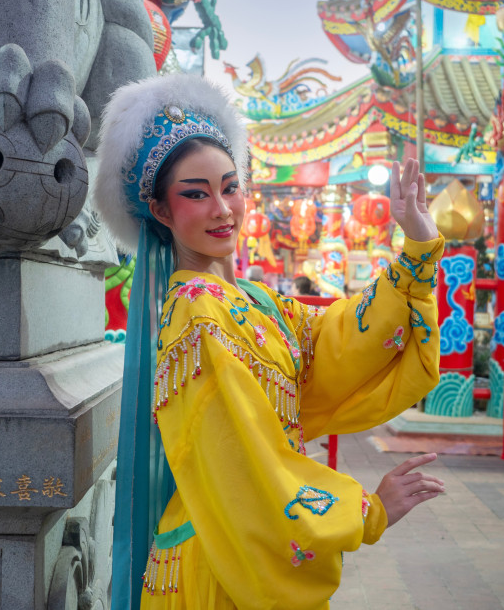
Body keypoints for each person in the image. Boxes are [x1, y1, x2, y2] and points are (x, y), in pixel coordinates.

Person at [94, 74, 445, 610]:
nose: (222, 209)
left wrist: (416, 246)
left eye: (230, 187)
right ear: (161, 211)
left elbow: (337, 343)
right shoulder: (196, 311)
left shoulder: (256, 300)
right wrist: (366, 510)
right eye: (196, 194)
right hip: (221, 555)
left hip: (234, 543)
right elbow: (246, 457)